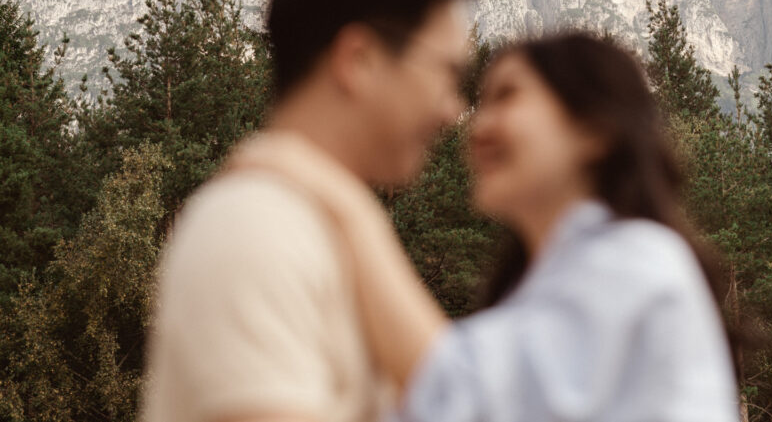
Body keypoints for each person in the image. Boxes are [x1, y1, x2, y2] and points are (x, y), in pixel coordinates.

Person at [239, 31, 741, 422]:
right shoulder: (553, 286)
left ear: (595, 131)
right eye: (481, 101)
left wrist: (342, 201)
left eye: (507, 97)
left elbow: (459, 393)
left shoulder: (639, 259)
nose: (477, 125)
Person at [141, 0, 478, 422]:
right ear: (358, 61)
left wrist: (351, 208)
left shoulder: (324, 228)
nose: (455, 110)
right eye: (445, 73)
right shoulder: (255, 229)